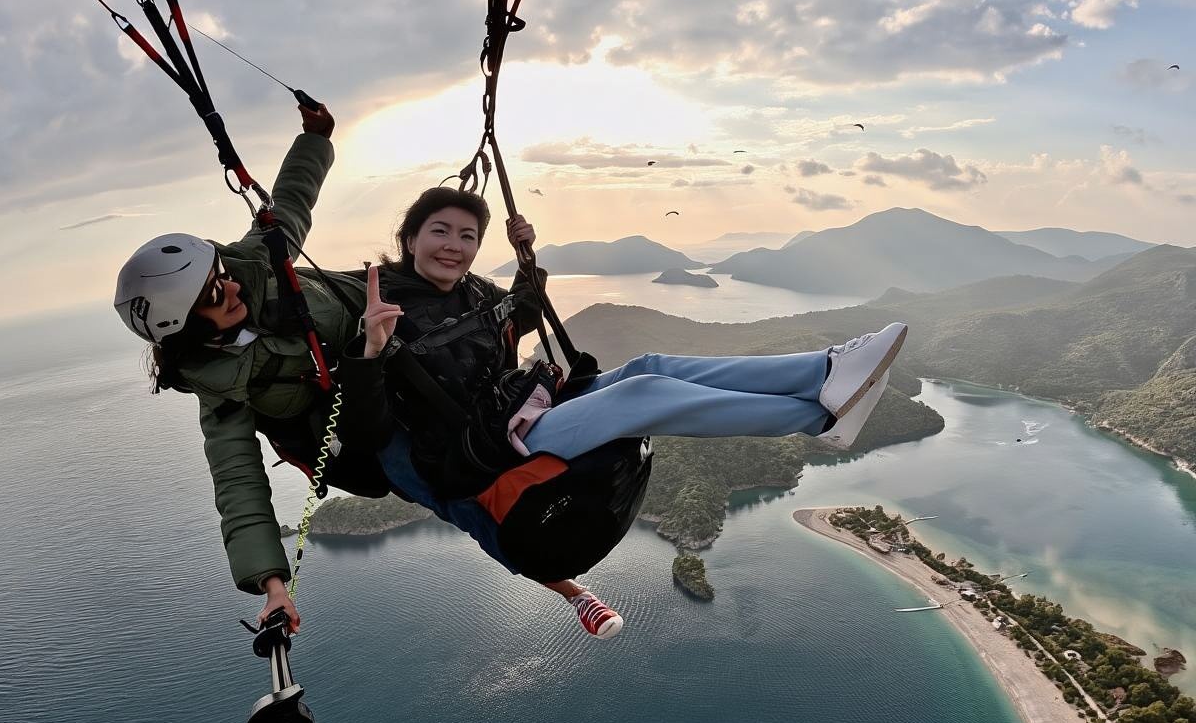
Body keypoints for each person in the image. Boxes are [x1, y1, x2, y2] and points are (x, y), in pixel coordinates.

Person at [338, 189, 908, 637]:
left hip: (520, 414)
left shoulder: (473, 293)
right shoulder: (379, 306)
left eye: (467, 236)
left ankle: (824, 373)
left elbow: (517, 317)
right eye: (439, 231)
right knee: (644, 397)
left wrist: (525, 261)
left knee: (646, 365)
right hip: (488, 454)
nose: (454, 246)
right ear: (409, 237)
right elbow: (369, 432)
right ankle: (820, 419)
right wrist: (368, 352)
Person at [113, 101, 362, 635]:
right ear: (188, 329)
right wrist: (272, 584)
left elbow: (292, 202)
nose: (227, 285)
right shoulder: (223, 391)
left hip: (378, 310)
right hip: (367, 407)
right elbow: (237, 482)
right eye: (210, 293)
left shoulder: (254, 262)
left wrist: (316, 138)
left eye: (218, 272)